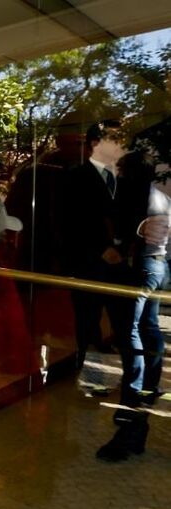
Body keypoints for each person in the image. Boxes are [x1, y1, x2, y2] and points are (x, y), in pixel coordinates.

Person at [98, 151, 170, 461]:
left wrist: (119, 245)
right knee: (147, 327)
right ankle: (146, 390)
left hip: (138, 266)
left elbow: (122, 229)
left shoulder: (130, 190)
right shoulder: (158, 195)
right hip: (156, 266)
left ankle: (133, 400)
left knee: (129, 332)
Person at [64, 120, 130, 371]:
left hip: (121, 262)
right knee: (88, 318)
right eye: (115, 139)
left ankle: (128, 373)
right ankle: (92, 373)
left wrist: (123, 249)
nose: (121, 145)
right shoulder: (76, 177)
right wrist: (101, 249)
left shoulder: (125, 177)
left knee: (123, 318)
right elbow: (70, 221)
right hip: (88, 261)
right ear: (95, 144)